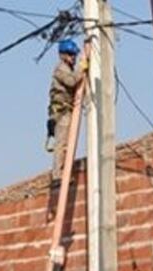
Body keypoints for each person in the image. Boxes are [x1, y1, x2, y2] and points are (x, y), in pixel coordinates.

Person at [46, 38, 86, 185]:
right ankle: (58, 175)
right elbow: (71, 81)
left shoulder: (68, 68)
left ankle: (65, 171)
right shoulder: (60, 69)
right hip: (61, 112)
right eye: (70, 54)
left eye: (74, 55)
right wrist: (82, 67)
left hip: (67, 109)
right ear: (62, 55)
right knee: (61, 144)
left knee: (68, 144)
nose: (73, 57)